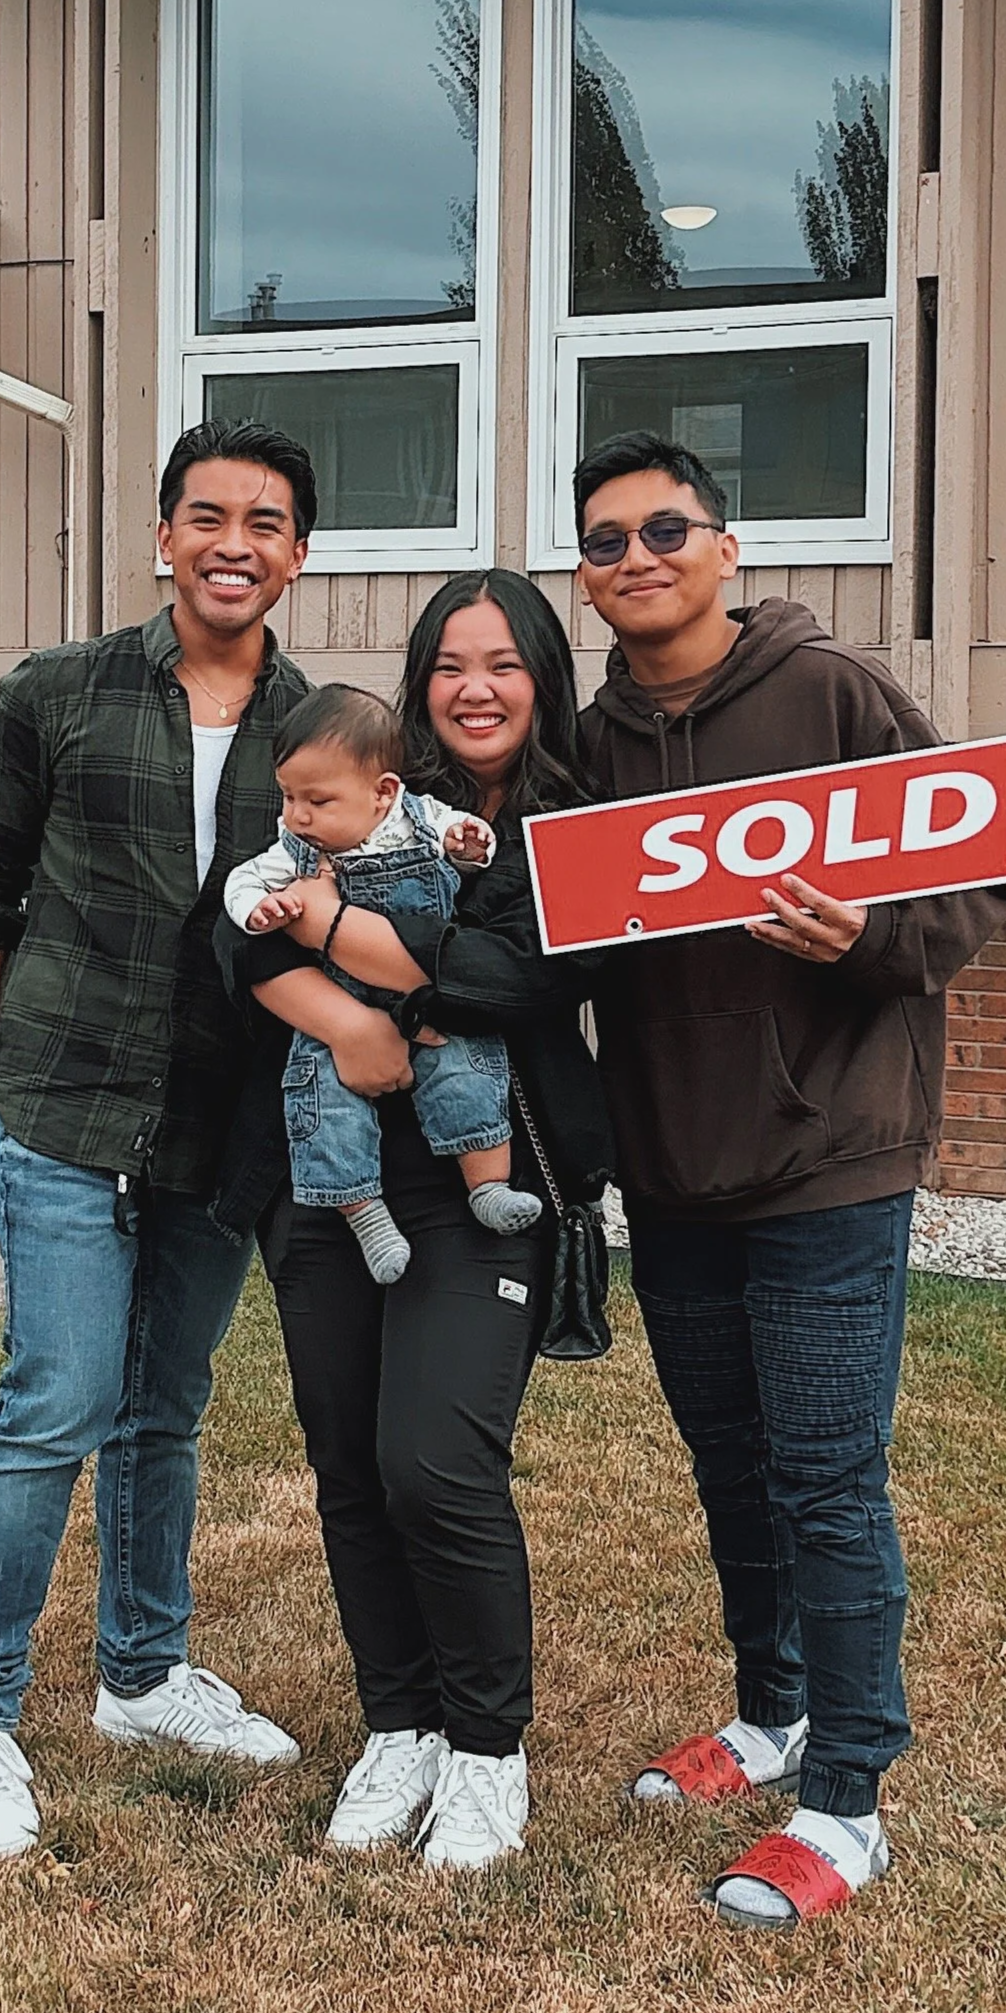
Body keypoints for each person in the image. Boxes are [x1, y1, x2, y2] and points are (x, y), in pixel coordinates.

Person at [573, 430, 1006, 1926]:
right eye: (607, 540)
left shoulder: (832, 693)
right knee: (729, 1462)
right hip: (673, 1169)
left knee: (826, 1476)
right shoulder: (591, 743)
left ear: (725, 548)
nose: (636, 556)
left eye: (663, 529)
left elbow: (985, 864)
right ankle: (770, 1713)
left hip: (830, 1155)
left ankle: (846, 1798)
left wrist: (869, 937)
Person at [0, 419, 319, 1860]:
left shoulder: (319, 730)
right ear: (161, 537)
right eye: (205, 515)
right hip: (62, 1104)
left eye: (264, 520)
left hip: (216, 1128)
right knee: (57, 1399)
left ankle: (143, 1674)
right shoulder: (60, 694)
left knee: (167, 1400)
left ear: (295, 553)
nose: (234, 542)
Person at [214, 569, 613, 1872]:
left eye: (503, 661)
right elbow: (238, 938)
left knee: (431, 1462)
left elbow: (511, 977)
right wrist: (347, 1008)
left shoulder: (566, 824)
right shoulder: (348, 782)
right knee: (346, 1468)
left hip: (480, 1188)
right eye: (449, 661)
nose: (475, 685)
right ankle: (402, 1724)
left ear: (542, 677)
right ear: (418, 682)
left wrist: (332, 927)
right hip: (325, 1184)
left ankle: (487, 1751)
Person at [224, 682, 541, 1284]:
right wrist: (257, 911)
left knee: (469, 1070)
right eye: (289, 796)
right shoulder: (294, 849)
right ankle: (364, 1213)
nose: (298, 815)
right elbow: (242, 885)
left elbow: (472, 845)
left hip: (430, 1004)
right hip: (341, 1002)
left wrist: (469, 847)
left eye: (318, 800)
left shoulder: (422, 819)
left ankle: (487, 1185)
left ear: (384, 792)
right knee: (324, 1099)